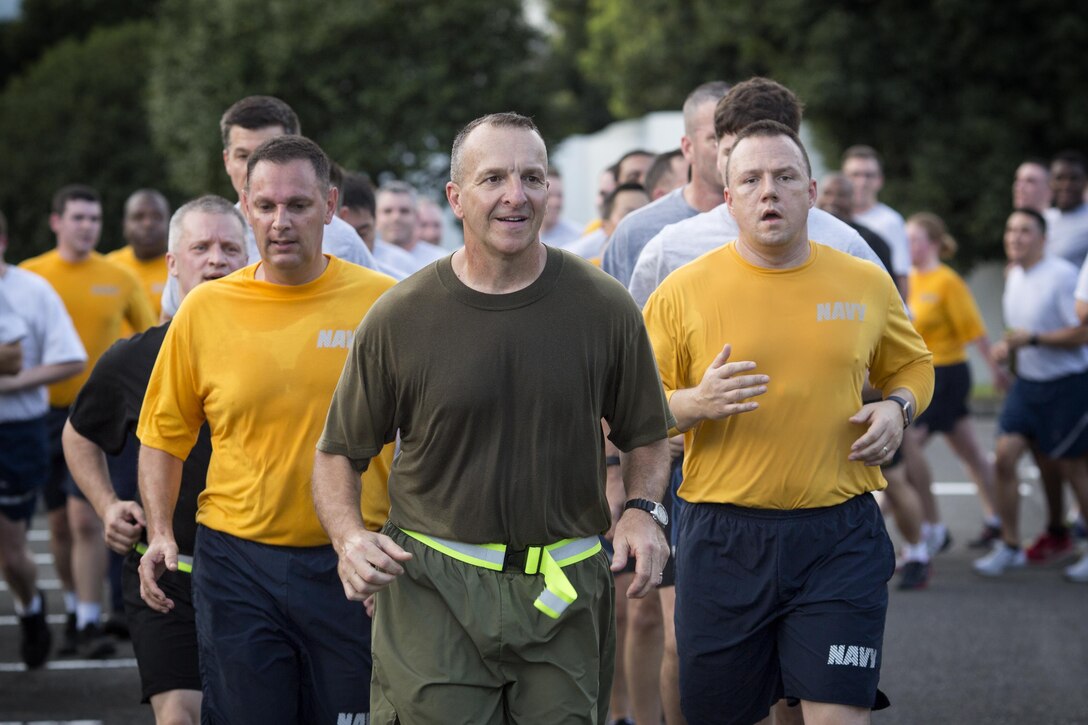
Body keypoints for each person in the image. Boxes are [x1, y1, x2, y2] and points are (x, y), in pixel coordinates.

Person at [312, 112, 673, 723]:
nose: (516, 195)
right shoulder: (399, 316)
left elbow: (646, 434)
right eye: (494, 178)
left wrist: (643, 511)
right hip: (433, 588)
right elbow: (337, 453)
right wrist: (349, 539)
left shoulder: (604, 306)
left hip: (563, 587)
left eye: (532, 178)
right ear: (455, 197)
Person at [644, 120, 933, 725]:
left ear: (813, 191)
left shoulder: (863, 279)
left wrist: (897, 407)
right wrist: (695, 404)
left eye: (784, 177)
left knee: (837, 716)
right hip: (723, 539)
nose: (768, 191)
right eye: (750, 179)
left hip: (839, 538)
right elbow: (629, 412)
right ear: (729, 198)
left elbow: (912, 363)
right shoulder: (680, 292)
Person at [137, 137, 397, 723]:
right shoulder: (204, 310)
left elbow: (429, 435)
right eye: (266, 206)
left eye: (299, 205)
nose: (281, 222)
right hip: (237, 564)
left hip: (351, 564)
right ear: (246, 208)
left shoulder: (384, 306)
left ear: (330, 206)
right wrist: (159, 532)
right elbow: (163, 435)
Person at [62, 196, 248, 723]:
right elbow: (79, 436)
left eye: (230, 247)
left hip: (256, 571)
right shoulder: (134, 357)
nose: (216, 259)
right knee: (179, 716)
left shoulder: (279, 348)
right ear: (173, 262)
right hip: (166, 574)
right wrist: (107, 506)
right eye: (201, 247)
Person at [21, 185, 156, 658]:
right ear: (56, 222)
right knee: (57, 526)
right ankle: (78, 609)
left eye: (94, 219)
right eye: (77, 218)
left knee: (84, 519)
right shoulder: (31, 277)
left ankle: (89, 619)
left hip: (100, 419)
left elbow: (153, 337)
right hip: (39, 414)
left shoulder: (118, 276)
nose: (86, 227)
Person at [160, 95, 379, 316]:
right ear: (227, 161)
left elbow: (380, 311)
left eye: (270, 153)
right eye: (243, 156)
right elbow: (169, 320)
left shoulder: (342, 240)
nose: (254, 167)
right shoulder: (198, 233)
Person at [974, 209, 1088, 580]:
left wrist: (1034, 340)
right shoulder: (1014, 275)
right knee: (1004, 459)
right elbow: (1022, 331)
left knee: (1073, 469)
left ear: (1043, 239)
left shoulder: (1063, 276)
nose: (1015, 238)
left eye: (1024, 231)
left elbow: (1082, 334)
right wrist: (1008, 351)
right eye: (1010, 230)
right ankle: (1009, 546)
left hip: (1067, 385)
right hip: (1028, 385)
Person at [0, 210, 86, 669]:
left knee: (11, 552)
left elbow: (69, 358)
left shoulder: (30, 290)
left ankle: (30, 606)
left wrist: (16, 382)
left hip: (15, 431)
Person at [905, 212, 1008, 548]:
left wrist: (995, 370)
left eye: (915, 240)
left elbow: (975, 331)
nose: (909, 246)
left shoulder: (947, 281)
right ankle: (998, 519)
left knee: (906, 449)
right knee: (972, 454)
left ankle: (926, 531)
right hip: (923, 373)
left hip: (947, 376)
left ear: (933, 243)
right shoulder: (909, 280)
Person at [601, 81, 731, 287]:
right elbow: (614, 317)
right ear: (688, 148)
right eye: (715, 138)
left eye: (739, 136)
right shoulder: (637, 231)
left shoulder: (770, 222)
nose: (730, 147)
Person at [842, 145, 910, 298]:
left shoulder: (891, 221)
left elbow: (901, 278)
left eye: (869, 175)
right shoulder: (830, 219)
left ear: (880, 180)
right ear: (843, 178)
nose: (862, 182)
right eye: (855, 174)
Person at [337, 171, 416, 279]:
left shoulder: (401, 274)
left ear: (375, 222)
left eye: (362, 234)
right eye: (345, 236)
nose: (355, 245)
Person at [108, 190, 171, 321]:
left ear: (170, 223)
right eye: (138, 217)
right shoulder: (109, 266)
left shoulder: (182, 269)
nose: (148, 224)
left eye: (157, 217)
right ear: (125, 224)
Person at [376, 180, 449, 270]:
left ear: (417, 217)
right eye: (387, 211)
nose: (396, 217)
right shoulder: (365, 260)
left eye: (404, 211)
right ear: (375, 218)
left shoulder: (440, 263)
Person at [1044, 150, 1088, 268]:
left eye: (1073, 179)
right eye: (1059, 178)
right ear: (1050, 181)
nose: (1066, 185)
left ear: (1085, 182)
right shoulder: (1043, 219)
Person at [539, 166, 584, 248]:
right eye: (549, 195)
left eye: (559, 195)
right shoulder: (523, 236)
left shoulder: (578, 237)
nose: (556, 202)